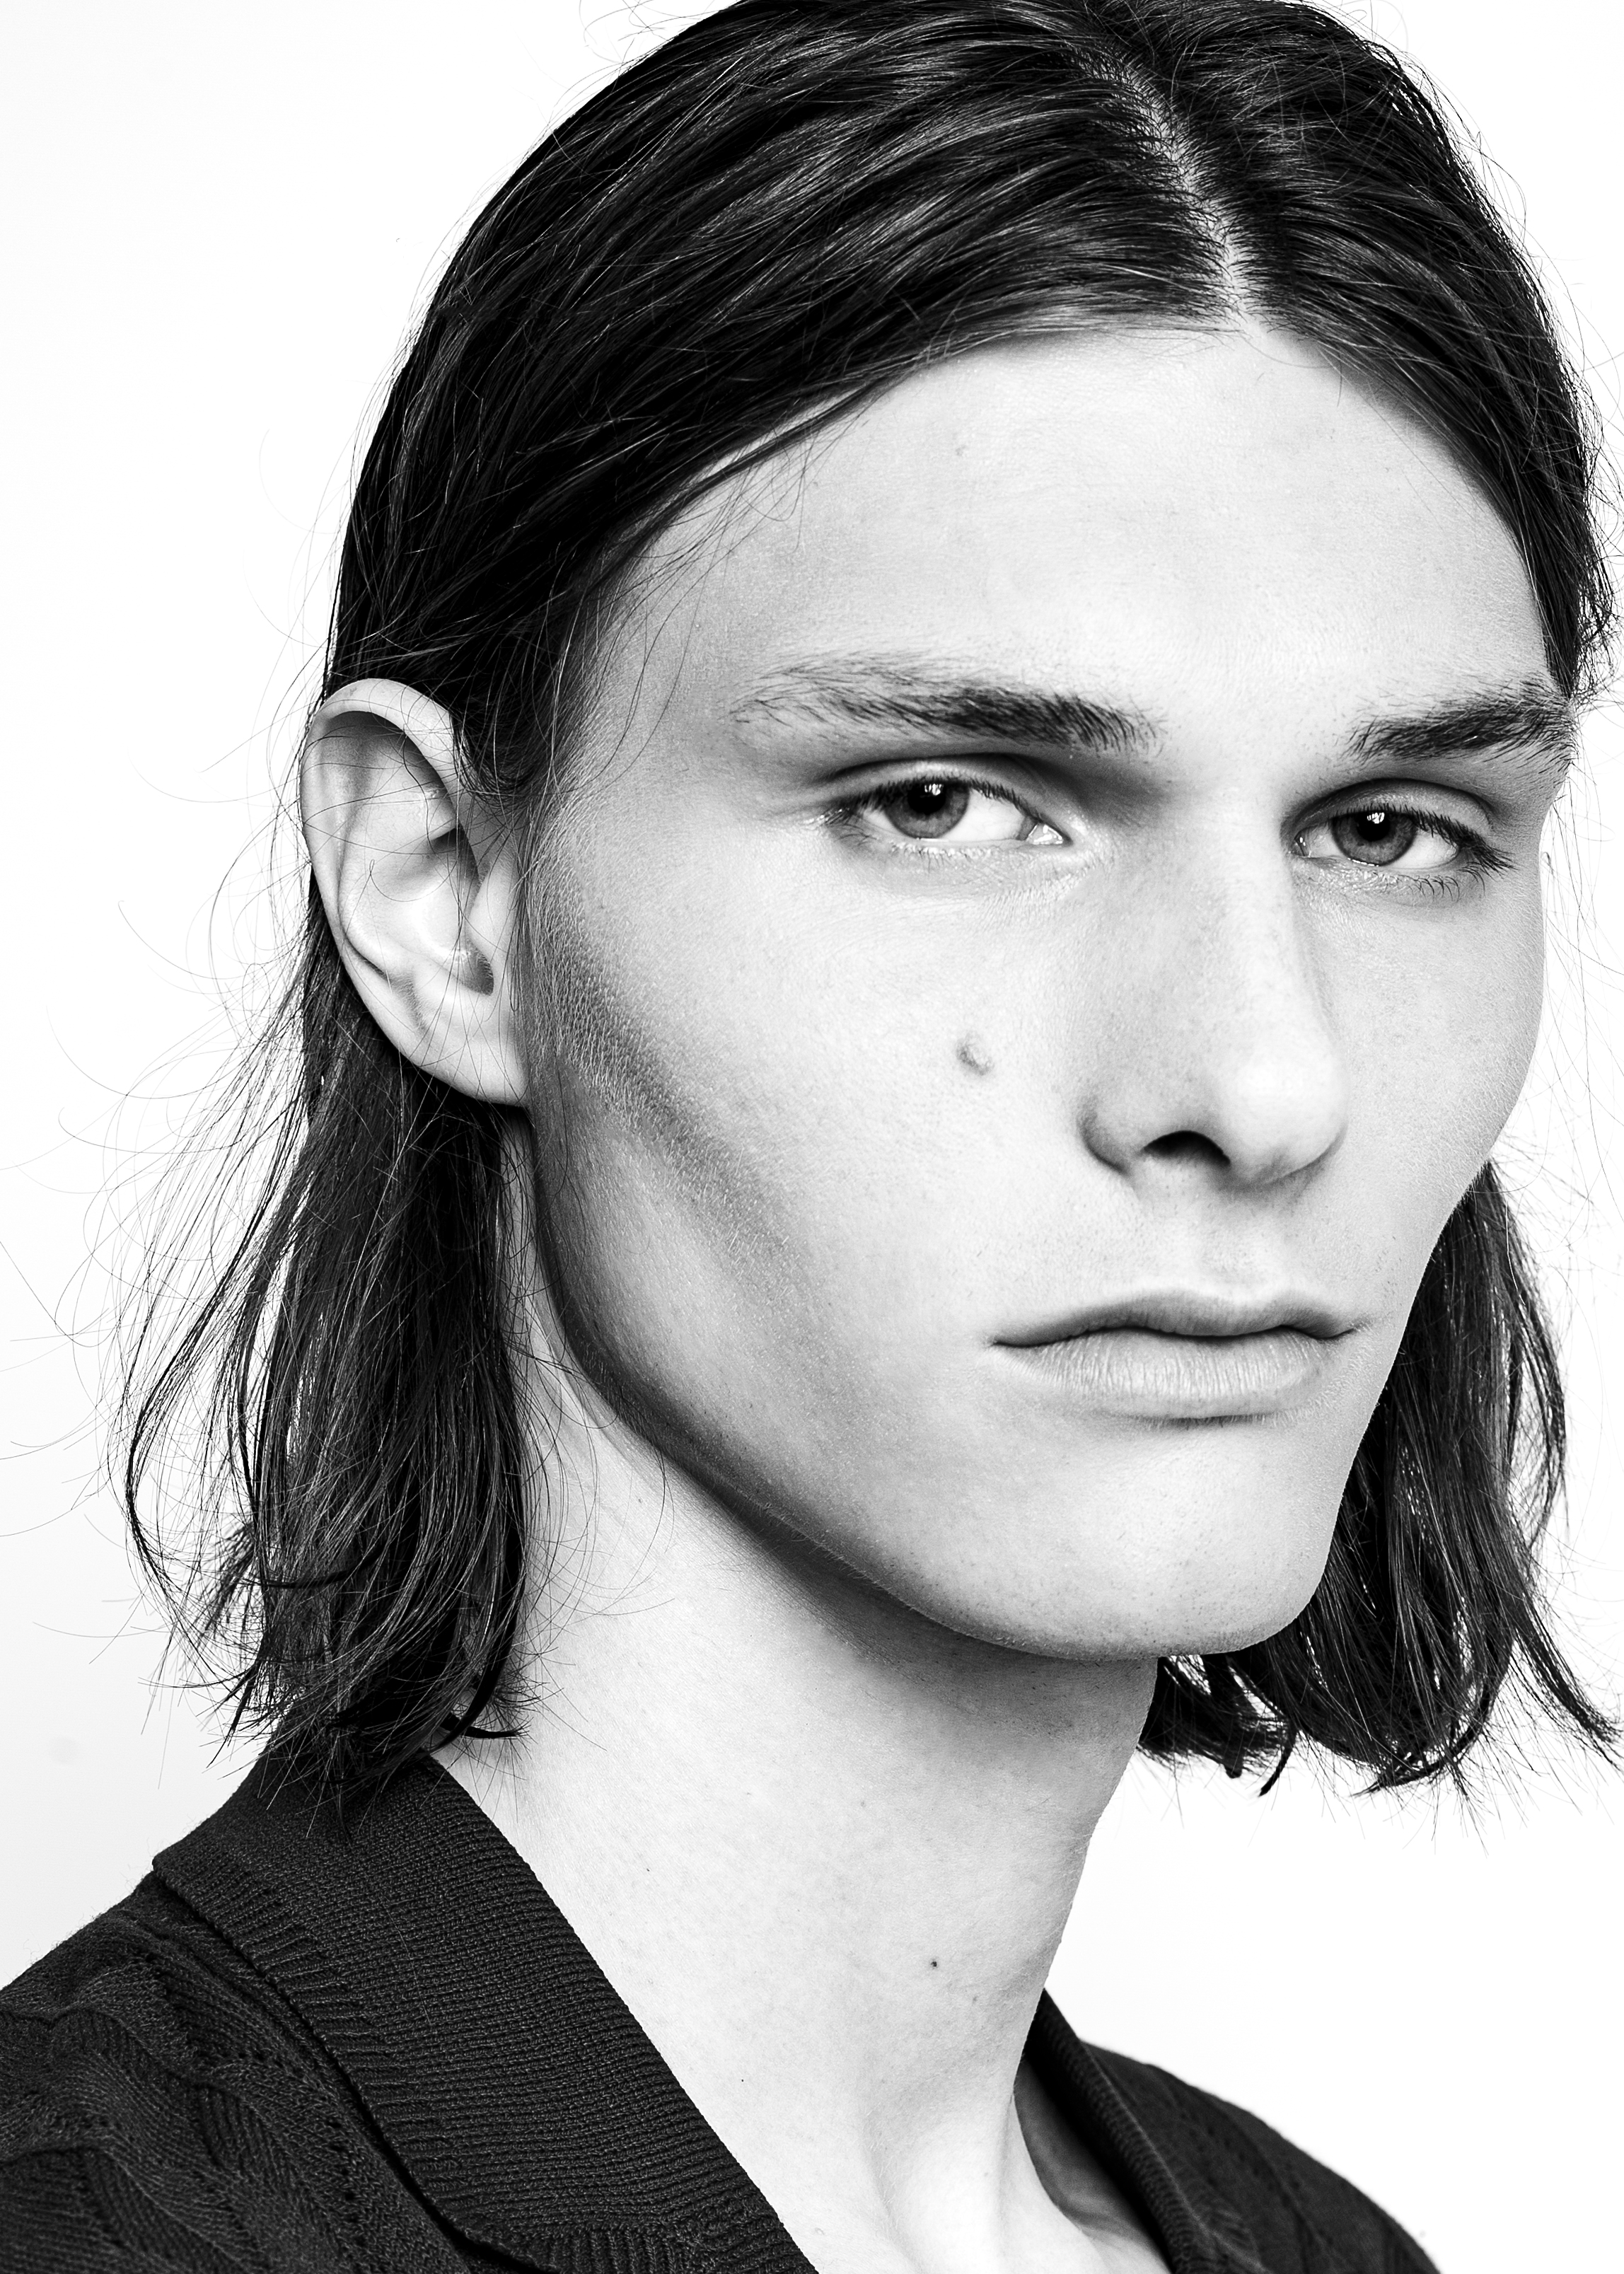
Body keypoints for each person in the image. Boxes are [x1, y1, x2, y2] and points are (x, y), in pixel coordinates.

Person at [1, 1, 1614, 2267]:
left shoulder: (1313, 2248)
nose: (1265, 1083)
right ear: (445, 898)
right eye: (943, 803)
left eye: (1390, 829)